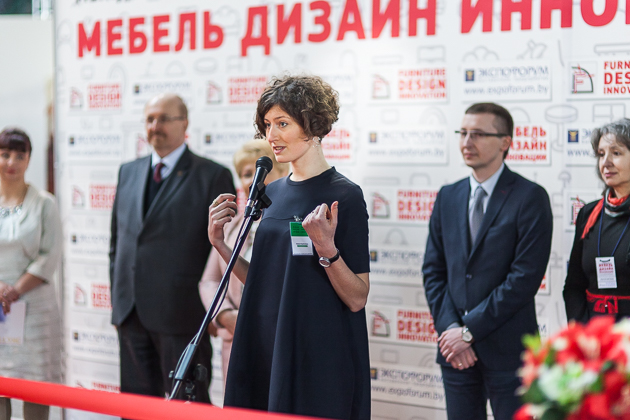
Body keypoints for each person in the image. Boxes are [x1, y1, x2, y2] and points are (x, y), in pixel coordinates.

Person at [208, 75, 371, 419]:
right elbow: (264, 280)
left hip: (316, 352)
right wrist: (221, 245)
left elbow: (357, 297)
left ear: (313, 126)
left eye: (283, 123)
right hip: (265, 343)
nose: (271, 136)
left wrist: (327, 249)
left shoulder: (345, 195)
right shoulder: (273, 192)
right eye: (267, 125)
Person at [422, 103, 553, 420]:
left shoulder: (530, 197)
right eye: (463, 133)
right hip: (455, 352)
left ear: (505, 142)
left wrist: (469, 332)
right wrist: (452, 329)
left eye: (478, 134)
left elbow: (523, 279)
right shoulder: (448, 195)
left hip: (508, 352)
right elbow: (433, 272)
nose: (467, 142)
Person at [109, 93, 235, 403]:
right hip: (130, 314)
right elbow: (118, 242)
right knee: (135, 407)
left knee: (187, 407)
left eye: (164, 118)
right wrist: (119, 299)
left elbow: (221, 251)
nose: (155, 126)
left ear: (185, 123)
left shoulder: (212, 175)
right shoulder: (128, 171)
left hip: (182, 316)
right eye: (150, 119)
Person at [198, 139, 289, 384]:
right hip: (235, 342)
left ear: (283, 173)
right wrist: (225, 315)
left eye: (261, 173)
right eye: (247, 174)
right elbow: (209, 281)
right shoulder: (233, 226)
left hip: (277, 342)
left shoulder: (293, 224)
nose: (253, 181)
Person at [0, 128, 62, 420]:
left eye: (19, 155)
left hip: (35, 308)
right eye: (4, 155)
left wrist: (15, 290)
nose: (11, 162)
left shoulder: (45, 203)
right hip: (0, 308)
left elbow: (49, 255)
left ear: (28, 160)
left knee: (35, 386)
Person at [564, 119, 630, 322]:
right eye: (601, 154)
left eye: (616, 153)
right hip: (594, 333)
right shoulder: (588, 213)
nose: (606, 162)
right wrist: (584, 331)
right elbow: (574, 285)